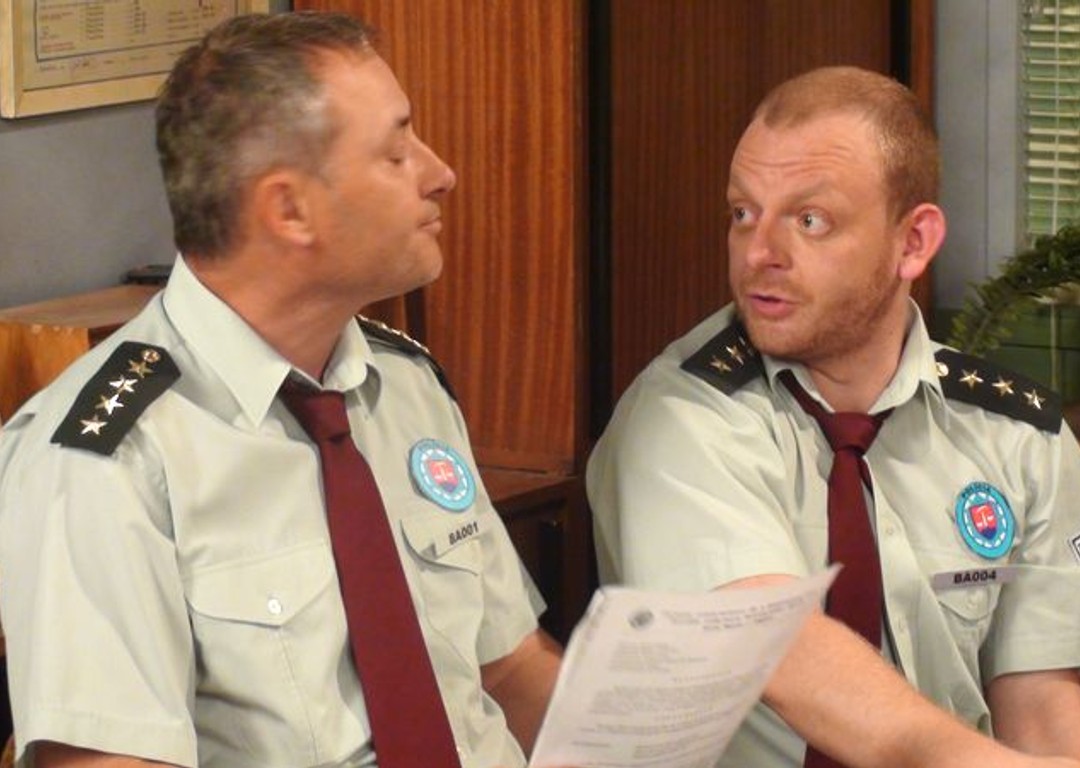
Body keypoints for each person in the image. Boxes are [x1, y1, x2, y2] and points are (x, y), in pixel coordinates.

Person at [0, 11, 561, 768]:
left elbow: (510, 669)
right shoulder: (106, 462)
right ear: (289, 210)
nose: (440, 173)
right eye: (396, 152)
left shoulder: (404, 384)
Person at [587, 65, 1080, 768]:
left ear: (913, 242)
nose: (760, 254)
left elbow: (1038, 701)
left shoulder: (1017, 434)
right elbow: (788, 655)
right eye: (743, 213)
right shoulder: (681, 417)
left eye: (809, 221)